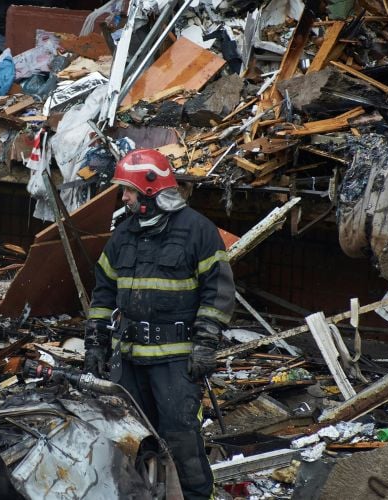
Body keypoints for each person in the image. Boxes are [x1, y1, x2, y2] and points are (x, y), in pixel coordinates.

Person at [83, 148, 236, 499]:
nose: (123, 197)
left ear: (150, 191)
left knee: (181, 436)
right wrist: (95, 342)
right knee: (129, 437)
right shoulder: (124, 233)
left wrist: (206, 343)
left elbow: (219, 291)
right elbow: (104, 290)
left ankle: (198, 496)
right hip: (130, 360)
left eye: (128, 190)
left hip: (174, 362)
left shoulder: (197, 230)